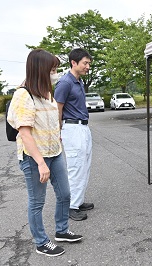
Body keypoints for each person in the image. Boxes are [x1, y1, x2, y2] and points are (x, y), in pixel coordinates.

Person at [7, 49, 82, 257]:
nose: (55, 73)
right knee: (37, 202)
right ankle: (41, 242)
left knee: (65, 193)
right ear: (40, 70)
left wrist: (57, 136)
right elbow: (25, 133)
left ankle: (61, 230)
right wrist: (41, 163)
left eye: (56, 69)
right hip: (34, 157)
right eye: (52, 69)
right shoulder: (23, 95)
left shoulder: (47, 92)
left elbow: (51, 120)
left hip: (54, 151)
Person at [54, 48, 94, 221]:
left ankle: (77, 201)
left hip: (83, 128)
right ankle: (70, 206)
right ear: (73, 62)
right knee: (75, 168)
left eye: (89, 64)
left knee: (84, 166)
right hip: (71, 129)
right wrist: (58, 132)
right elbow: (58, 109)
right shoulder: (65, 82)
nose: (88, 67)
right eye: (85, 63)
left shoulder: (78, 82)